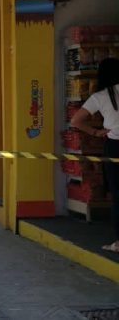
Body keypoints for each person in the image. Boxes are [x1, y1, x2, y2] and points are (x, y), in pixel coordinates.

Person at [71, 58, 119, 253]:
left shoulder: (100, 96)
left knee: (118, 194)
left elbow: (76, 120)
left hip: (114, 147)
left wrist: (96, 133)